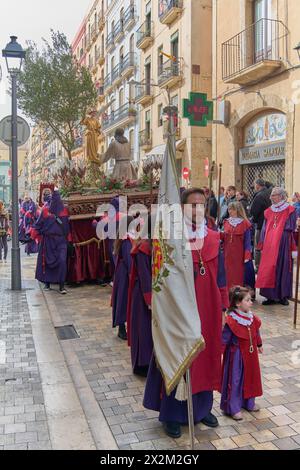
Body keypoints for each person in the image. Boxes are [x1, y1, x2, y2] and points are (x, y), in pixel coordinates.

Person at [143, 188, 229, 439]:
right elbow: (158, 270)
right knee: (179, 354)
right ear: (181, 208)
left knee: (205, 355)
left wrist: (223, 306)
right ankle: (172, 414)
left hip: (208, 307)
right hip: (179, 308)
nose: (198, 209)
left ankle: (201, 409)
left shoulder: (213, 237)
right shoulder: (170, 238)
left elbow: (221, 276)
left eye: (202, 204)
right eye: (193, 204)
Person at [220, 286, 263, 421]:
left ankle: (249, 402)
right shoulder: (232, 321)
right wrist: (218, 352)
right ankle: (234, 407)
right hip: (236, 356)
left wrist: (259, 344)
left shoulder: (252, 318)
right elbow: (224, 339)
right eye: (248, 300)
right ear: (238, 303)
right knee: (236, 380)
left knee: (250, 377)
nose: (251, 302)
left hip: (250, 356)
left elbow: (256, 332)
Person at [256, 187, 297, 306]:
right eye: (271, 195)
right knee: (270, 268)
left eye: (274, 195)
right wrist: (262, 242)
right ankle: (270, 296)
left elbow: (291, 227)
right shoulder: (268, 211)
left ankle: (283, 296)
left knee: (283, 267)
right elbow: (264, 228)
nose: (271, 197)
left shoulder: (290, 209)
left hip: (283, 242)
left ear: (281, 196)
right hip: (269, 243)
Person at [30, 190, 71, 294]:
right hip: (48, 240)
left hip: (61, 240)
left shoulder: (65, 210)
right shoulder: (45, 210)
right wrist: (32, 235)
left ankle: (62, 285)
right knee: (47, 262)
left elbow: (68, 227)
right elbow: (38, 225)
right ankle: (47, 283)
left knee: (62, 261)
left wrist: (69, 240)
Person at [127, 215, 153, 377]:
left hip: (153, 293)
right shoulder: (144, 247)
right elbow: (144, 275)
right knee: (143, 329)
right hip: (144, 294)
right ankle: (143, 364)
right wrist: (149, 299)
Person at [222, 202, 255, 293]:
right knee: (228, 273)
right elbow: (223, 237)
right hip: (227, 253)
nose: (230, 211)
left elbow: (248, 241)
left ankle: (238, 294)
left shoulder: (245, 223)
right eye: (229, 209)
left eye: (232, 209)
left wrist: (247, 255)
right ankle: (229, 292)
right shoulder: (226, 222)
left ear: (238, 210)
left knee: (238, 274)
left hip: (239, 254)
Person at [111, 216, 134, 341]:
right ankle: (121, 328)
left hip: (121, 274)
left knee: (122, 300)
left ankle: (123, 326)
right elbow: (129, 259)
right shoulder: (126, 241)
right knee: (123, 300)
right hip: (125, 275)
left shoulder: (122, 238)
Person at [249, 179, 272, 270]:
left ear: (257, 185)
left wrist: (253, 220)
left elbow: (253, 211)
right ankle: (267, 265)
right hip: (270, 224)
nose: (254, 187)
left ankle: (258, 267)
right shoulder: (270, 192)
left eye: (254, 186)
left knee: (258, 246)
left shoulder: (259, 196)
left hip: (260, 224)